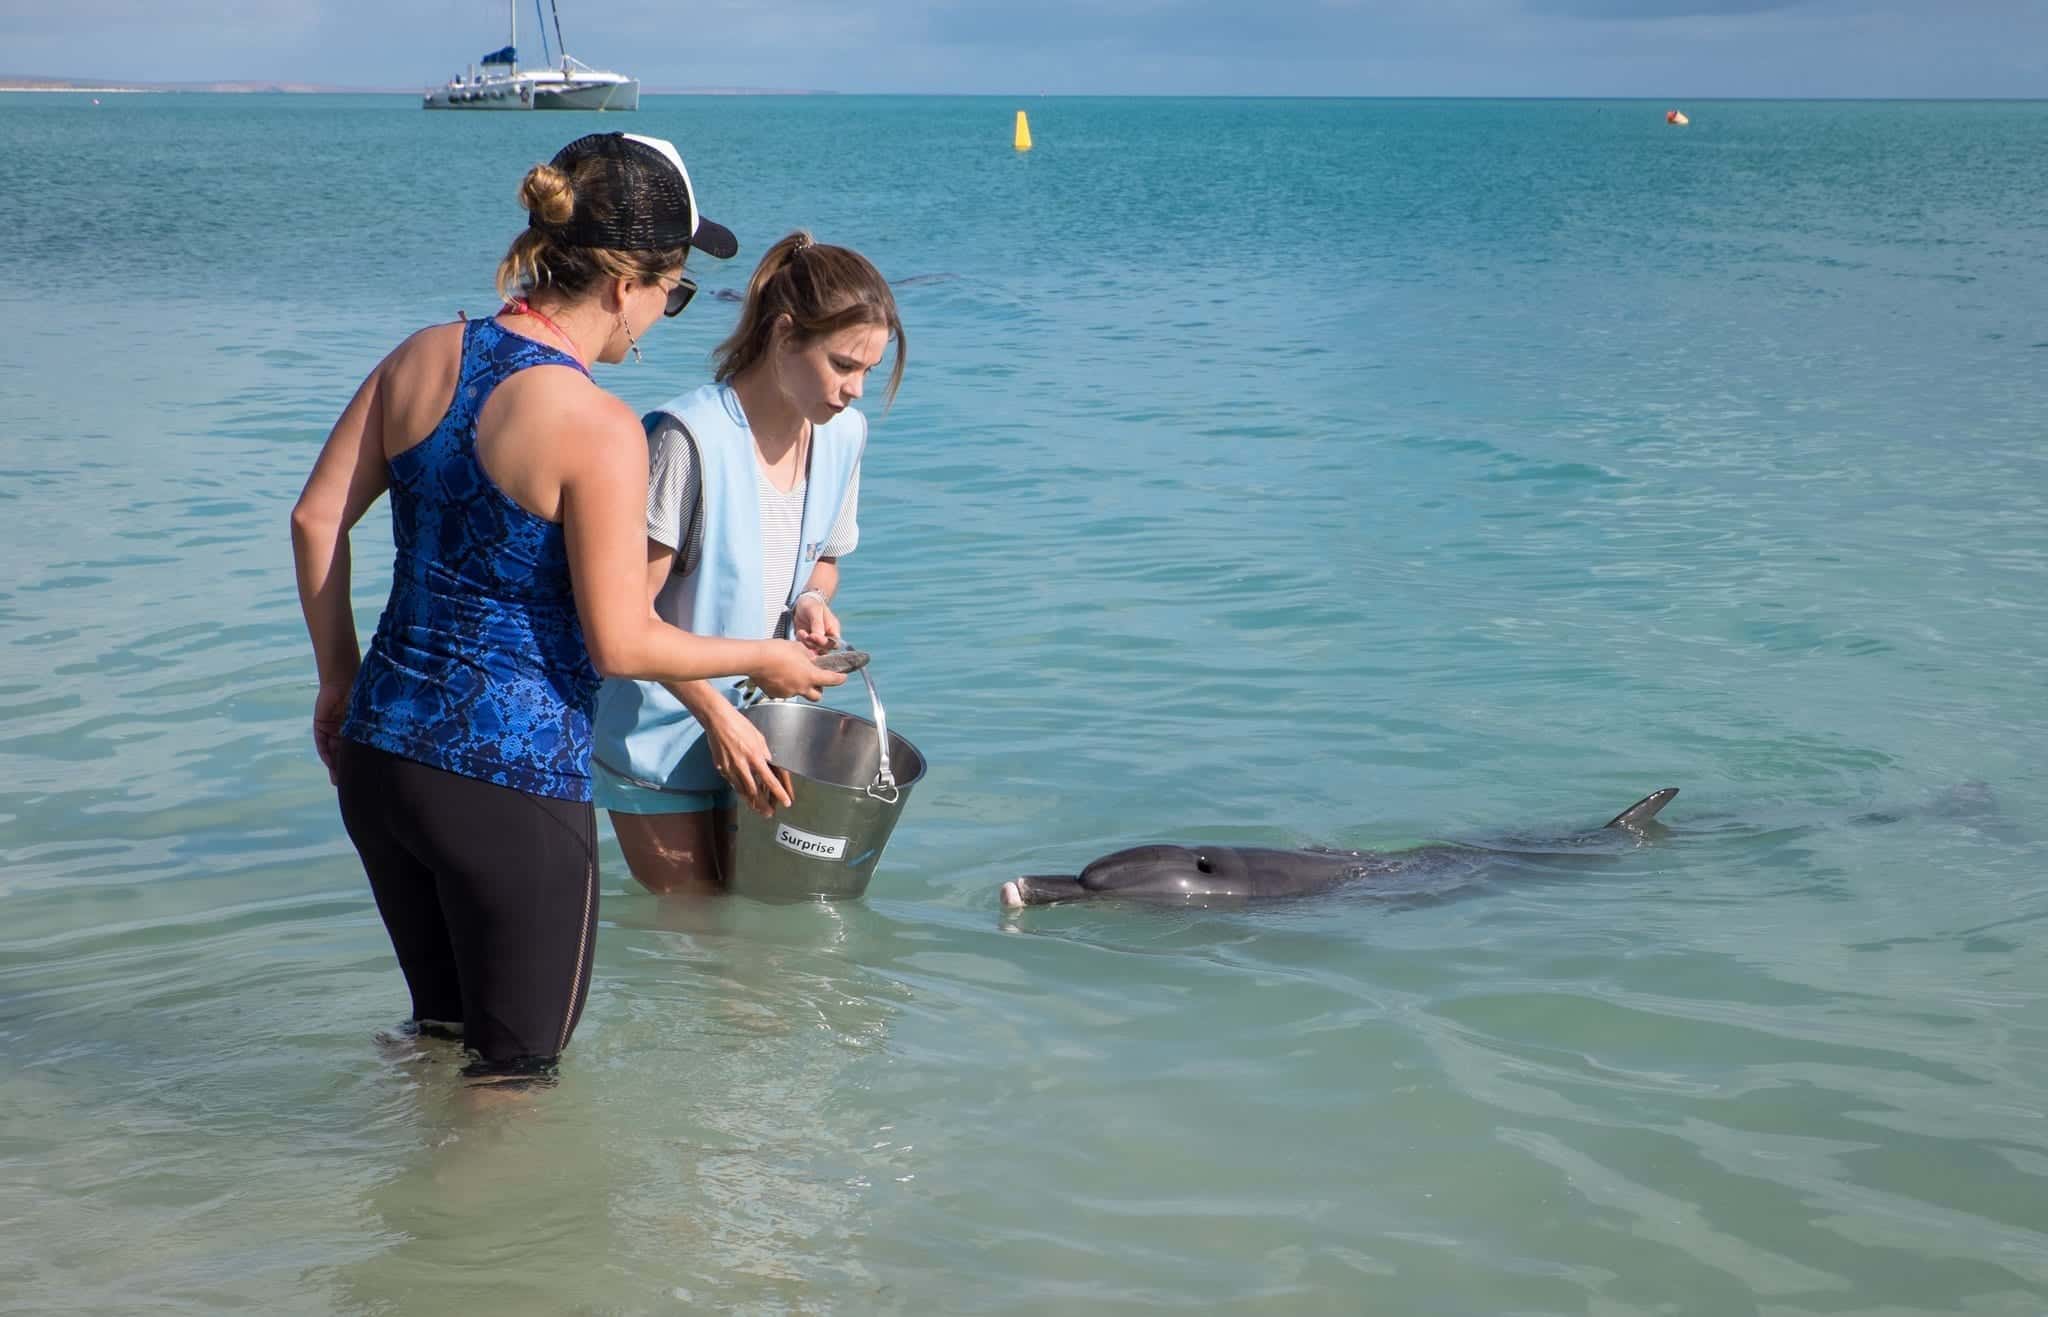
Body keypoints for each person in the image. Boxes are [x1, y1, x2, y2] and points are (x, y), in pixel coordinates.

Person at [290, 133, 844, 1082]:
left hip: (381, 758)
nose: (662, 319)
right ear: (624, 282)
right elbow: (620, 639)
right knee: (513, 1084)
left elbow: (312, 522)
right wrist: (764, 657)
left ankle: (396, 1223)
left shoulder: (426, 354)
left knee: (436, 1042)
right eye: (670, 292)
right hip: (509, 786)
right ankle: (482, 1235)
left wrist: (338, 681)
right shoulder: (598, 427)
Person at [590, 231, 906, 896]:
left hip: (766, 734)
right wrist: (716, 715)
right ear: (785, 334)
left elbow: (823, 562)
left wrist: (813, 602)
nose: (854, 390)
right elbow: (625, 621)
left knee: (755, 945)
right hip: (661, 736)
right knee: (697, 935)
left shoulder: (844, 435)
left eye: (868, 373)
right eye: (843, 364)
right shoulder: (683, 439)